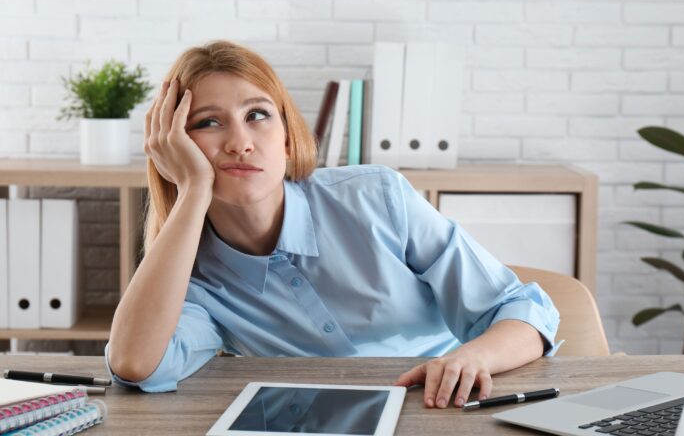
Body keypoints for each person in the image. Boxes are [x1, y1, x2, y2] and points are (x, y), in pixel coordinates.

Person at [105, 40, 560, 409]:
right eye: (208, 123)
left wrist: (471, 356)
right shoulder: (191, 272)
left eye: (257, 115)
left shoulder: (376, 198)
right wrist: (190, 192)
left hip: (445, 409)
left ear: (286, 135)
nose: (240, 143)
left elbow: (524, 309)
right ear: (174, 147)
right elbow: (135, 363)